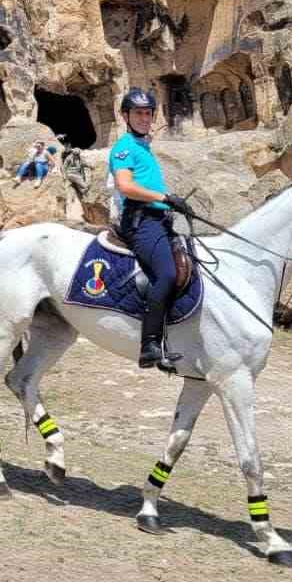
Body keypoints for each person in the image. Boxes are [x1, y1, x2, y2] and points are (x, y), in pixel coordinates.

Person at [107, 87, 192, 371]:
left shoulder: (144, 146)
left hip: (158, 219)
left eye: (147, 113)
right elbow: (125, 186)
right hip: (141, 222)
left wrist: (171, 205)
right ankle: (150, 345)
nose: (144, 118)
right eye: (138, 113)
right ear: (126, 116)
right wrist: (164, 198)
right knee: (167, 274)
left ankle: (174, 336)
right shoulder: (123, 148)